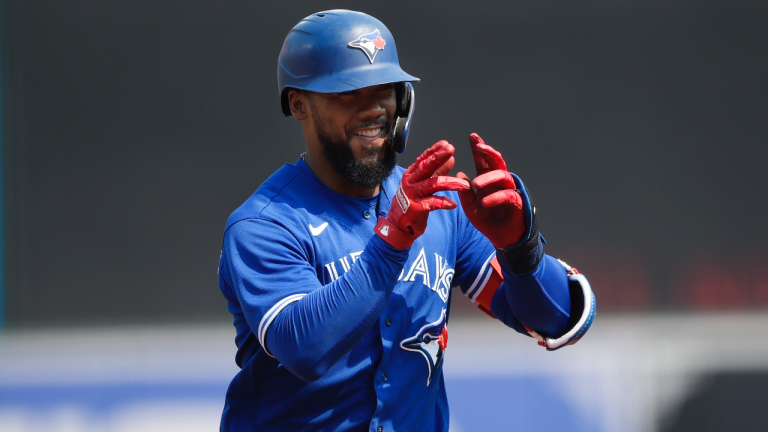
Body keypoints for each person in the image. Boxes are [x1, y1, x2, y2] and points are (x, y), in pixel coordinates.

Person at [217, 9, 595, 432]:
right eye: (348, 92)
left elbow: (554, 321)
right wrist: (391, 243)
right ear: (299, 104)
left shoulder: (437, 207)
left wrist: (521, 251)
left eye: (385, 89)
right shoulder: (264, 225)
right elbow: (305, 348)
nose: (372, 108)